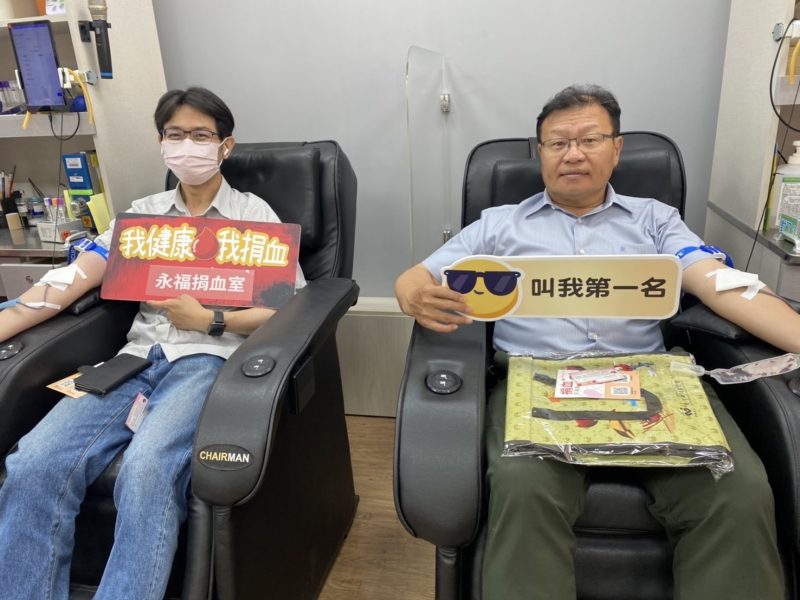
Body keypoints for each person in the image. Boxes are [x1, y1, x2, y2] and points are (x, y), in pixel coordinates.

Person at [396, 84, 790, 600]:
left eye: (589, 139)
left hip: (648, 384)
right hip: (538, 383)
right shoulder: (498, 225)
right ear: (541, 153)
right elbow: (416, 277)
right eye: (558, 143)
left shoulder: (656, 220)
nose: (573, 154)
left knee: (736, 490)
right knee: (522, 487)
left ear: (616, 148)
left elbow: (718, 282)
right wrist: (414, 296)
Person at [0, 87, 305, 599]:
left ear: (225, 145)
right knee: (33, 462)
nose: (187, 145)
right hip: (133, 359)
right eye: (175, 134)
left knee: (146, 471)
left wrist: (211, 320)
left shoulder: (254, 218)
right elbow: (68, 281)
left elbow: (286, 309)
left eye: (201, 135)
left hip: (207, 360)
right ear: (161, 142)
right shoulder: (143, 217)